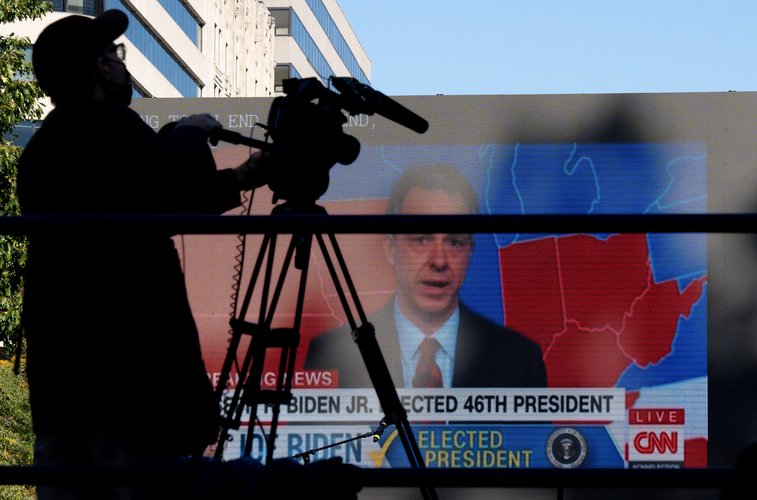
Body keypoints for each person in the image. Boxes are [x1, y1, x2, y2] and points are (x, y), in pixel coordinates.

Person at [17, 10, 270, 499]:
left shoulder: (44, 148)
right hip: (129, 390)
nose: (121, 62)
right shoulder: (112, 129)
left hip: (62, 386)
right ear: (99, 68)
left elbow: (133, 193)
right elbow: (175, 196)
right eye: (114, 53)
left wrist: (197, 156)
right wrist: (201, 143)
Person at [306, 163, 547, 388]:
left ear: (470, 251)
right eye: (422, 240)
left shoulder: (520, 359)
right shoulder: (334, 354)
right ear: (390, 249)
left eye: (454, 242)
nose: (439, 261)